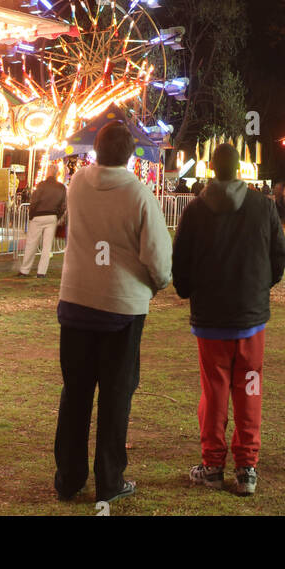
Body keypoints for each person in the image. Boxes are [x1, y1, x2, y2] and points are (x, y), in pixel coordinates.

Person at [53, 119, 172, 506]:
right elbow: (157, 255)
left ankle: (69, 478)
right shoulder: (139, 195)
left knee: (76, 393)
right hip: (121, 306)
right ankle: (110, 478)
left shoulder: (78, 184)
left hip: (76, 301)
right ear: (130, 153)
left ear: (97, 150)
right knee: (116, 394)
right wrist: (157, 283)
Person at [172, 141, 285, 496]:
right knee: (250, 387)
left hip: (211, 321)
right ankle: (246, 467)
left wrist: (191, 291)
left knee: (215, 389)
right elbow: (279, 257)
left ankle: (212, 464)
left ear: (211, 169)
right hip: (250, 320)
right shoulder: (263, 207)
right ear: (240, 170)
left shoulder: (194, 210)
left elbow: (180, 264)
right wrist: (257, 289)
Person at [19, 173, 66, 277]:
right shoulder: (61, 187)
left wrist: (31, 215)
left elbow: (34, 200)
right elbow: (63, 205)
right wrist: (57, 216)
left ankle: (25, 270)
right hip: (52, 216)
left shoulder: (41, 185)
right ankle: (41, 272)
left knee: (31, 243)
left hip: (38, 215)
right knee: (47, 246)